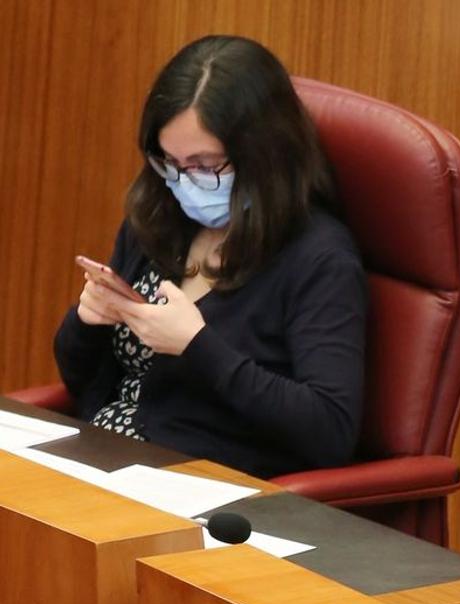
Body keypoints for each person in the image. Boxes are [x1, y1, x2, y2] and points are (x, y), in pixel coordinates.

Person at [54, 35, 367, 479]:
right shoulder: (160, 216)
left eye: (206, 165)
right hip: (103, 457)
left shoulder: (319, 259)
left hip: (205, 488)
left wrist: (199, 347)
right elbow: (82, 382)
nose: (185, 182)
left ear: (264, 154)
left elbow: (328, 431)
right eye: (171, 163)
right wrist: (86, 321)